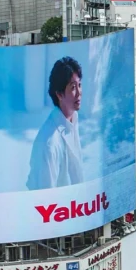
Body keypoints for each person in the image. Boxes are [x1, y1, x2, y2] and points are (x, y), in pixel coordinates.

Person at [27, 54, 84, 189]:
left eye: (79, 85)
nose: (79, 92)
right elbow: (45, 197)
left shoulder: (73, 119)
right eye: (73, 87)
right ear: (59, 94)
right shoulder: (50, 144)